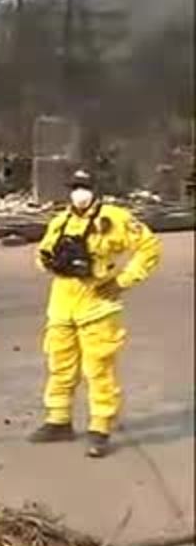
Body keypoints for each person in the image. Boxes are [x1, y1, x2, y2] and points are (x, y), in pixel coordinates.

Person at [29, 169, 162, 457]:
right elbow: (41, 255)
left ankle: (100, 427)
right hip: (62, 306)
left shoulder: (115, 219)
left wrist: (123, 281)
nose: (79, 193)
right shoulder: (60, 221)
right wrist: (51, 262)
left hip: (98, 305)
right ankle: (58, 421)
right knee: (60, 366)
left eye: (85, 187)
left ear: (96, 190)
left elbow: (149, 248)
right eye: (75, 187)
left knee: (99, 369)